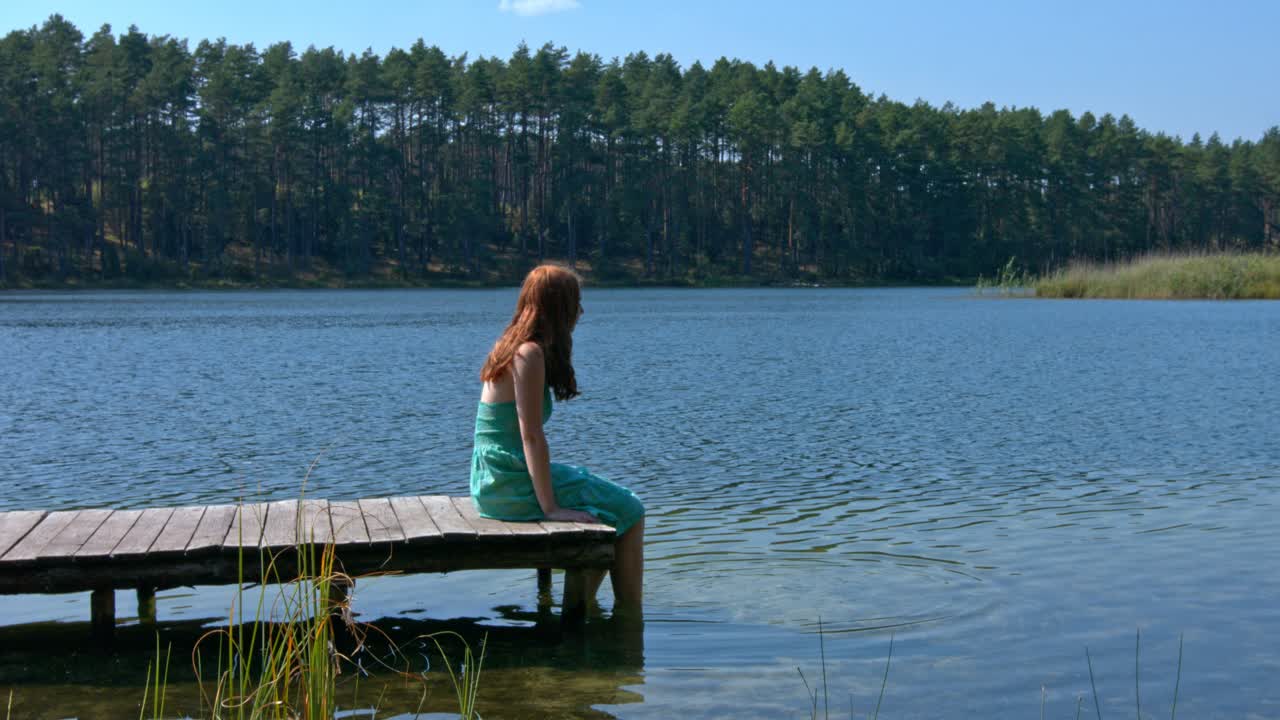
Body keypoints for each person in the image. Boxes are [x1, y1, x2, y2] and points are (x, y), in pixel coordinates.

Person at [471, 264, 645, 616]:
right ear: (557, 307)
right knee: (631, 509)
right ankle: (629, 616)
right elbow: (531, 436)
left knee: (603, 510)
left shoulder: (509, 347)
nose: (581, 311)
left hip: (493, 481)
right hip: (510, 485)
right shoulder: (528, 354)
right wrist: (552, 509)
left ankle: (587, 609)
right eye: (575, 302)